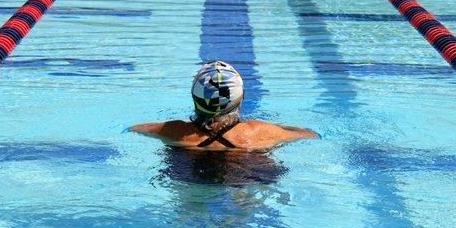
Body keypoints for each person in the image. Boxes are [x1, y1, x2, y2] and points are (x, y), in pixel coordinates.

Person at [131, 61, 317, 150]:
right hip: (245, 176)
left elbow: (135, 129)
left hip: (190, 177)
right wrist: (280, 127)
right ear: (241, 98)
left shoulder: (174, 130)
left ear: (195, 98)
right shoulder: (259, 131)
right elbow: (309, 135)